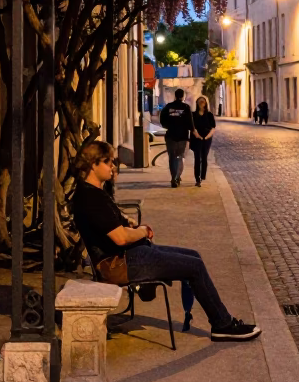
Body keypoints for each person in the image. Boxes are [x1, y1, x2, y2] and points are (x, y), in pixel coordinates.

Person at [71, 140, 260, 341]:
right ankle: (222, 325)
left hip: (128, 256)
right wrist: (143, 231)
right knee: (194, 266)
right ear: (93, 164)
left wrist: (127, 222)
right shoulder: (91, 198)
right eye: (108, 162)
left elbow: (111, 225)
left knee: (194, 256)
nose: (113, 166)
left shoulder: (94, 193)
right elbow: (120, 238)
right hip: (119, 263)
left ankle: (222, 321)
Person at [159, 88, 194, 187]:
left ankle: (173, 177)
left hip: (171, 136)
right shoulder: (186, 107)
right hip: (182, 136)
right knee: (180, 157)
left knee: (172, 157)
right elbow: (190, 123)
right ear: (183, 96)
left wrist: (169, 126)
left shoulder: (168, 107)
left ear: (175, 96)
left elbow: (162, 120)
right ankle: (177, 177)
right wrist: (192, 131)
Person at [189, 96, 216, 187]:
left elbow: (213, 128)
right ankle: (197, 178)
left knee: (204, 157)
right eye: (200, 102)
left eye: (203, 102)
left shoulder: (209, 115)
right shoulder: (193, 115)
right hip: (196, 138)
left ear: (205, 103)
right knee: (197, 157)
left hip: (206, 139)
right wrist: (198, 135)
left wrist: (207, 137)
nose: (202, 103)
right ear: (197, 103)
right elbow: (192, 127)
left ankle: (202, 176)